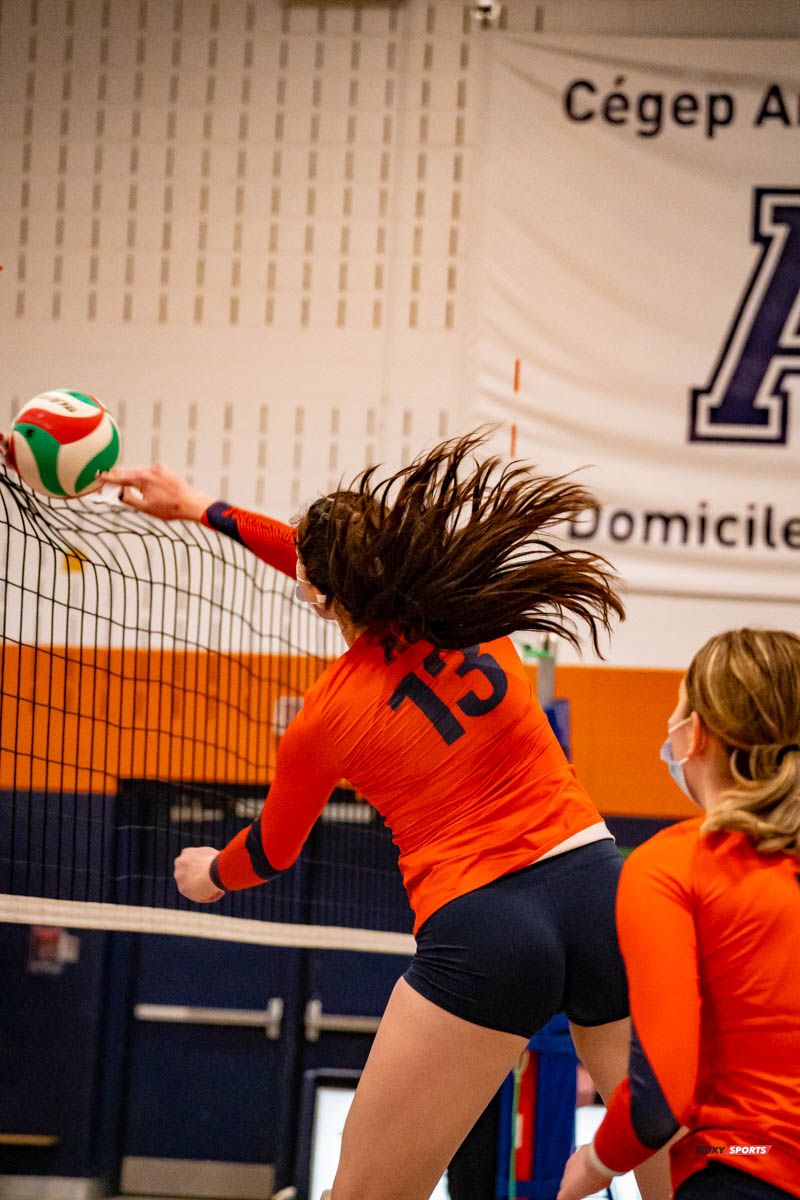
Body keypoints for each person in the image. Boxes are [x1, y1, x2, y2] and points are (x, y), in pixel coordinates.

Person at [101, 431, 671, 1200]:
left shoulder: (323, 719)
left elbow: (270, 852)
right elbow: (330, 566)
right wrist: (201, 506)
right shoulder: (474, 616)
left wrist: (209, 875)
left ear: (316, 590)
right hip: (605, 890)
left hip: (486, 928)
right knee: (682, 1174)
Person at [558, 627, 800, 1200]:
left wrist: (591, 1166)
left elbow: (661, 1096)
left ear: (697, 734)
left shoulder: (673, 864)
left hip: (742, 1164)